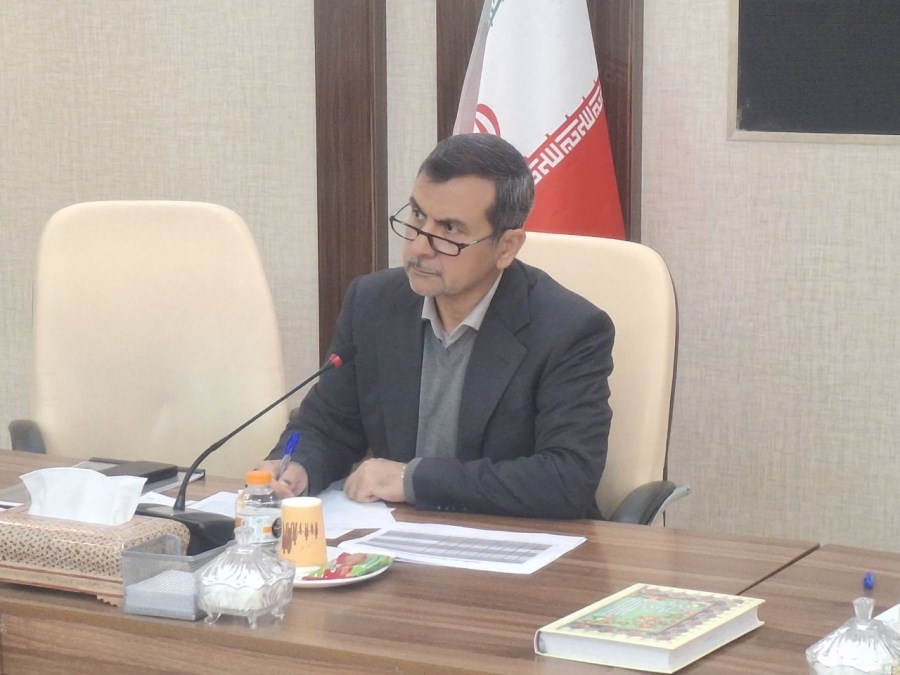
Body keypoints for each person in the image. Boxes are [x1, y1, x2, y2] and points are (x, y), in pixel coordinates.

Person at [257, 133, 614, 519]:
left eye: (449, 230)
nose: (418, 247)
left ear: (507, 246)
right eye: (417, 216)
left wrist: (413, 479)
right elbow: (325, 424)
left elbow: (566, 479)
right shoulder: (373, 303)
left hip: (518, 544)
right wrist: (296, 464)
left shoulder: (569, 330)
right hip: (397, 539)